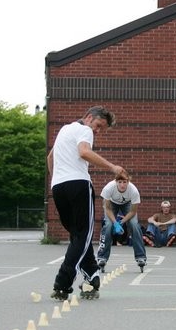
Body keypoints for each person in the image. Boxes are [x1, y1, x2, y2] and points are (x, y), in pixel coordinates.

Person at [47, 105, 124, 301]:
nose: (97, 131)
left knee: (78, 235)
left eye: (101, 130)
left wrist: (55, 178)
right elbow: (83, 152)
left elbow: (50, 157)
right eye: (98, 125)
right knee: (82, 235)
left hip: (58, 187)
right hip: (78, 185)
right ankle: (62, 283)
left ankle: (92, 276)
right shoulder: (84, 129)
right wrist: (111, 166)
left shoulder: (64, 130)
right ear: (89, 117)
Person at [97, 173, 147, 270]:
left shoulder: (134, 191)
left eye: (125, 182)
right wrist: (115, 223)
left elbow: (133, 211)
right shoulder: (108, 188)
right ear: (116, 182)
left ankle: (141, 257)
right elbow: (107, 209)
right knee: (108, 225)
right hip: (112, 204)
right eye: (120, 182)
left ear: (128, 182)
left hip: (127, 204)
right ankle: (102, 257)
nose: (122, 185)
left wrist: (121, 222)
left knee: (134, 224)